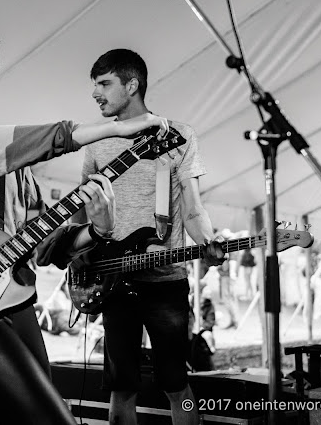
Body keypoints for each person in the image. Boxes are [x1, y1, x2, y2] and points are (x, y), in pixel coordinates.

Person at [0, 14, 170, 425]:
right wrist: (118, 129)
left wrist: (96, 229)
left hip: (12, 301)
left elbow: (46, 246)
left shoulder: (15, 166)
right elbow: (29, 141)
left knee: (49, 414)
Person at [77, 49, 225, 425]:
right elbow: (85, 212)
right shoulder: (95, 142)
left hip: (166, 281)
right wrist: (81, 258)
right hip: (112, 280)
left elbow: (192, 207)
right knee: (121, 387)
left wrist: (208, 240)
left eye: (105, 84)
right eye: (94, 84)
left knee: (177, 385)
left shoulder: (177, 136)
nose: (96, 93)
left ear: (132, 85)